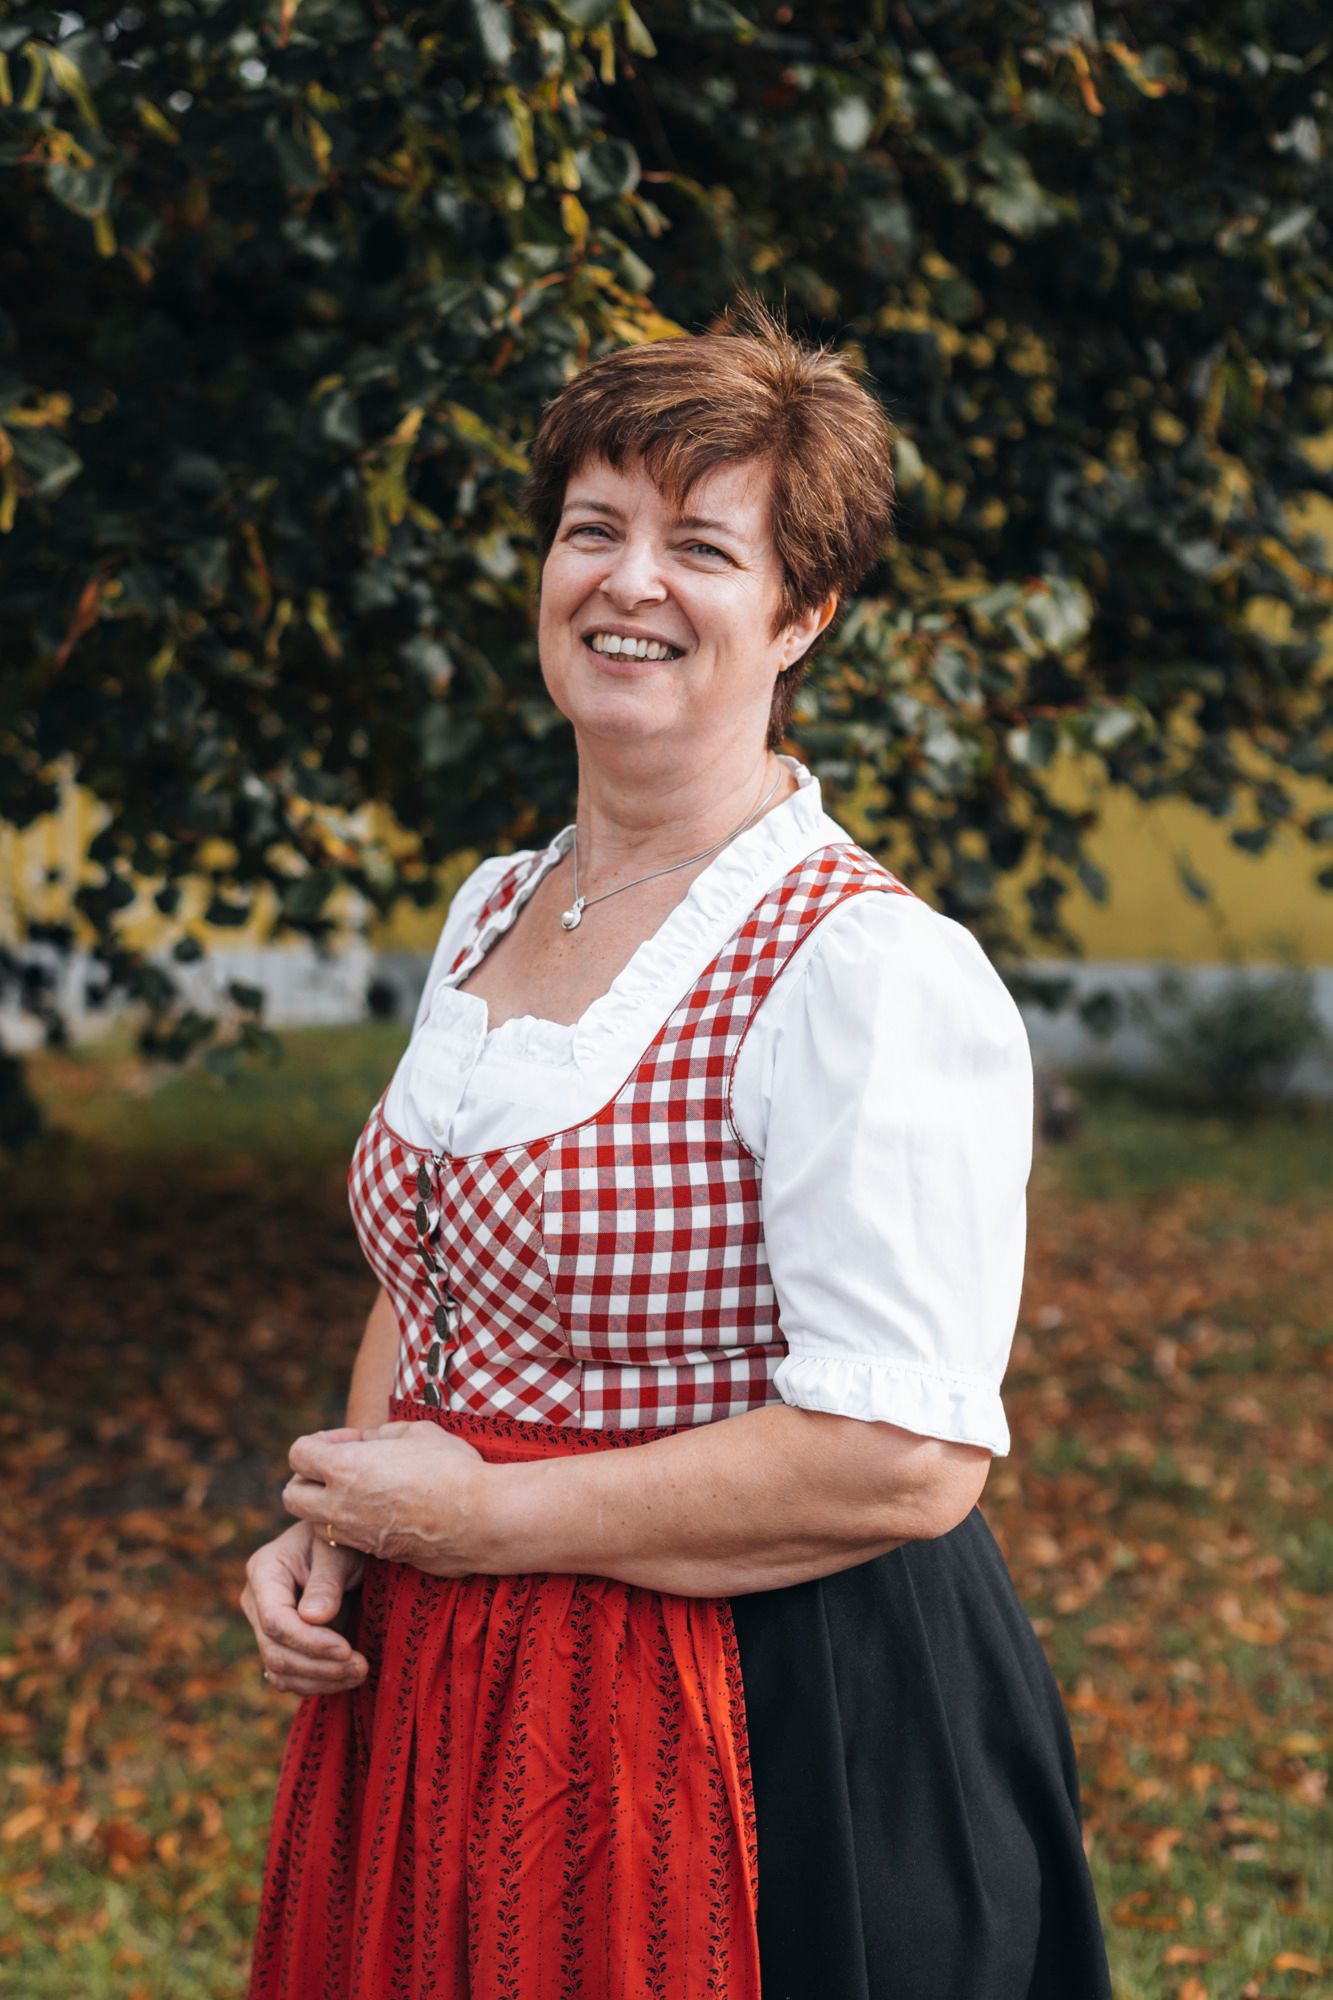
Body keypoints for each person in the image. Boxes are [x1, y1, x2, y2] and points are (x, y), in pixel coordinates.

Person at [240, 299, 1114, 1999]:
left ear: (802, 612)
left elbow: (899, 1463)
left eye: (701, 546)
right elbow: (427, 1284)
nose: (628, 583)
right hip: (448, 1683)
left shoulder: (862, 966)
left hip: (767, 1718)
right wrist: (349, 1513)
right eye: (593, 529)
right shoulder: (496, 904)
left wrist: (485, 1521)